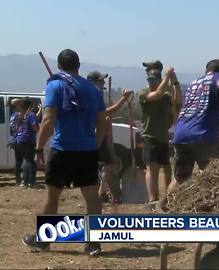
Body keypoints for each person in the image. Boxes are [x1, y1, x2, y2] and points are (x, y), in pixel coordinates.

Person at [22, 49, 106, 256]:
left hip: (62, 149)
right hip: (86, 150)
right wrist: (94, 143)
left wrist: (39, 147)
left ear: (59, 66)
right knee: (91, 196)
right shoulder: (93, 89)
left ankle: (43, 240)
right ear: (78, 65)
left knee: (52, 195)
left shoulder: (54, 85)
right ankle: (93, 243)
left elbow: (49, 119)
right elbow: (102, 121)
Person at [169, 59, 219, 192]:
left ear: (206, 71)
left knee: (180, 178)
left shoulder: (194, 83)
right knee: (218, 176)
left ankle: (167, 209)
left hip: (181, 135)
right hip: (203, 137)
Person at [138, 63, 181, 211]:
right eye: (150, 80)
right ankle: (153, 198)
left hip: (163, 136)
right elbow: (155, 95)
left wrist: (175, 83)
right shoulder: (144, 93)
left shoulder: (165, 96)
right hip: (150, 136)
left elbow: (177, 102)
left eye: (154, 80)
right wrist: (168, 78)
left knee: (167, 167)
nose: (152, 83)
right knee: (152, 168)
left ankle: (167, 197)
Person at [87, 70, 133, 202]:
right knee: (109, 164)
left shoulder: (97, 96)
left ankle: (102, 193)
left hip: (102, 134)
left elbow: (106, 114)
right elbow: (107, 111)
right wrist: (123, 99)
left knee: (109, 164)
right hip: (97, 135)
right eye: (100, 81)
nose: (103, 83)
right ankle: (102, 193)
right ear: (92, 83)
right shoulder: (91, 96)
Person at [9, 98, 39, 188]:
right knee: (30, 162)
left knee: (18, 162)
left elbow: (15, 128)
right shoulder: (30, 114)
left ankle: (19, 182)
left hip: (16, 140)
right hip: (27, 140)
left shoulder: (15, 115)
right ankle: (30, 183)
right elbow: (35, 128)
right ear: (29, 105)